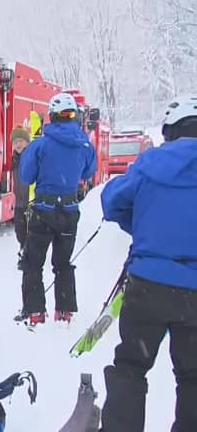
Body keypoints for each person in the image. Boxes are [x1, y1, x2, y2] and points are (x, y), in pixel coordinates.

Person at [99, 94, 197, 432]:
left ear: (170, 130)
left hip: (148, 287)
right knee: (194, 376)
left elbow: (112, 202)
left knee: (130, 367)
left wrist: (145, 226)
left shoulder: (152, 163)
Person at [15, 93, 96, 327]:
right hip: (69, 210)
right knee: (63, 263)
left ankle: (36, 313)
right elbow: (88, 172)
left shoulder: (40, 144)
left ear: (51, 115)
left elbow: (26, 175)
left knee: (33, 263)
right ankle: (64, 312)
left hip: (43, 210)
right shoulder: (84, 144)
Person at [11, 125, 31, 257]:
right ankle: (23, 248)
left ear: (27, 142)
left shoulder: (29, 157)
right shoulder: (14, 159)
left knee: (29, 229)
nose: (18, 144)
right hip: (18, 201)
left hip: (29, 201)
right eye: (15, 142)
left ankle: (27, 252)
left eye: (21, 141)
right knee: (19, 229)